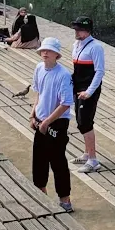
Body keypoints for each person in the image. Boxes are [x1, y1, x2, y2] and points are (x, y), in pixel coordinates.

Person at [30, 37, 74, 212]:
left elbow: (65, 103)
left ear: (57, 55)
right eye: (43, 50)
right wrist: (32, 115)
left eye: (49, 51)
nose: (45, 53)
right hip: (41, 120)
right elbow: (39, 93)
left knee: (58, 161)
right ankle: (41, 195)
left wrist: (48, 121)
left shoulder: (63, 75)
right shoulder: (39, 68)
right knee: (38, 161)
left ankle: (65, 199)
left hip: (57, 122)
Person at [70, 17, 105, 173]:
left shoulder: (96, 47)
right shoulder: (76, 45)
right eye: (75, 29)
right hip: (77, 88)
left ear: (87, 30)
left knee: (85, 122)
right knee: (79, 120)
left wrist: (89, 92)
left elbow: (99, 72)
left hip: (88, 90)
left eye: (79, 29)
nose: (76, 31)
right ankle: (86, 153)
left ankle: (93, 160)